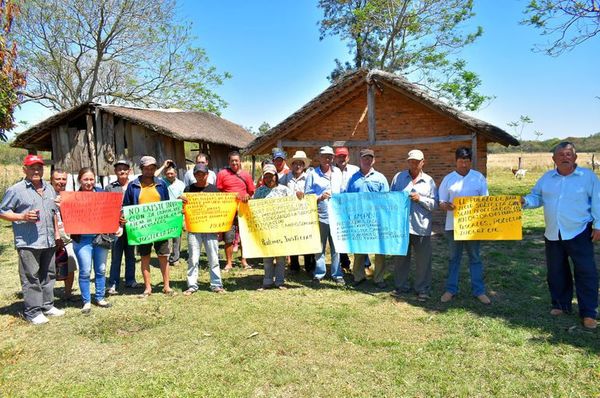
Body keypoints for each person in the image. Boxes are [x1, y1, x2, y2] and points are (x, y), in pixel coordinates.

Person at [522, 142, 599, 329]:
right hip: (553, 232)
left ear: (575, 157)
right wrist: (524, 201)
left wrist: (598, 225)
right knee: (556, 271)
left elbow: (598, 200)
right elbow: (536, 197)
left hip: (580, 231)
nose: (565, 157)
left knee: (586, 272)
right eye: (561, 155)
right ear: (554, 159)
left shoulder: (588, 177)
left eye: (569, 154)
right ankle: (561, 304)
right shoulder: (547, 178)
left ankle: (588, 312)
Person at [0, 154, 64, 324]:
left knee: (49, 274)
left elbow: (53, 214)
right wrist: (22, 216)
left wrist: (57, 234)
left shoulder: (50, 188)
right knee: (31, 277)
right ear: (24, 169)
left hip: (49, 239)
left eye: (39, 167)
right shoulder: (16, 190)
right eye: (32, 167)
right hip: (29, 242)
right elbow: (2, 211)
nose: (36, 170)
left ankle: (47, 305)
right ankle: (33, 312)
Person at [438, 147, 491, 305]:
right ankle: (451, 290)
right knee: (454, 258)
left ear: (470, 161)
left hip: (473, 227)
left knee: (475, 258)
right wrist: (445, 205)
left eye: (466, 161)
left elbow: (486, 200)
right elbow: (441, 202)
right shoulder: (448, 179)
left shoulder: (478, 178)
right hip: (453, 225)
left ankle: (479, 291)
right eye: (461, 161)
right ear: (455, 161)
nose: (463, 165)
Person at [122, 156, 175, 297]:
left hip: (160, 227)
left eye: (152, 168)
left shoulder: (162, 184)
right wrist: (124, 218)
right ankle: (147, 288)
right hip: (142, 229)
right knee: (145, 256)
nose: (149, 171)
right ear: (141, 169)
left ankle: (166, 286)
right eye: (146, 168)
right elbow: (126, 206)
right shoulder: (133, 186)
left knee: (163, 256)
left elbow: (167, 205)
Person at [389, 149, 437, 301]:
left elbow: (435, 204)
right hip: (401, 226)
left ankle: (422, 289)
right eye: (411, 161)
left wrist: (420, 199)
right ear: (408, 161)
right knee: (401, 259)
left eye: (417, 161)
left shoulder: (429, 181)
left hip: (421, 226)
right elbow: (391, 198)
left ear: (423, 162)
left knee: (423, 260)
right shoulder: (399, 177)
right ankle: (401, 286)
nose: (414, 164)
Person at [346, 149, 390, 289]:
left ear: (374, 160)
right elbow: (348, 199)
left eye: (370, 158)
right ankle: (358, 276)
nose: (367, 160)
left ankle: (379, 278)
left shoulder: (380, 178)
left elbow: (386, 199)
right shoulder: (353, 178)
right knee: (359, 250)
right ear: (360, 159)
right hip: (359, 220)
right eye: (365, 158)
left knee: (379, 251)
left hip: (377, 220)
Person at [71, 167, 113, 314]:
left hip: (99, 238)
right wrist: (63, 206)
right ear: (79, 181)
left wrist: (117, 221)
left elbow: (110, 212)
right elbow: (68, 218)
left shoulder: (102, 193)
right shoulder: (73, 198)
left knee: (101, 269)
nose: (89, 182)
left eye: (91, 179)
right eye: (85, 179)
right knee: (85, 271)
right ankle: (86, 301)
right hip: (82, 240)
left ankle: (100, 297)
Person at [181, 164, 225, 294]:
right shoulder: (188, 189)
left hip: (210, 229)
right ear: (194, 175)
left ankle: (216, 284)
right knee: (193, 259)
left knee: (213, 258)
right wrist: (181, 204)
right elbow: (183, 207)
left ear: (207, 175)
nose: (200, 176)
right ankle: (192, 285)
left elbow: (219, 209)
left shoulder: (214, 190)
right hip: (194, 229)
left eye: (203, 174)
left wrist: (219, 227)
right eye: (197, 174)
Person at [304, 146, 344, 285]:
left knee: (337, 246)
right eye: (325, 156)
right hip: (321, 215)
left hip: (337, 216)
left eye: (330, 156)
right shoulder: (313, 174)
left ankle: (337, 274)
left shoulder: (338, 172)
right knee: (319, 247)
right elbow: (307, 195)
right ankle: (319, 273)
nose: (327, 158)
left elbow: (343, 191)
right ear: (319, 157)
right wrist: (320, 197)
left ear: (333, 158)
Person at [253, 164, 294, 289]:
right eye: (266, 176)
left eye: (271, 176)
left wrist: (299, 195)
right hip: (265, 229)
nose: (269, 179)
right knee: (267, 256)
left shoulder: (285, 190)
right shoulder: (259, 191)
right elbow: (252, 207)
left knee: (281, 257)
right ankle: (268, 280)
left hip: (281, 228)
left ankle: (280, 281)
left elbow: (294, 204)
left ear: (276, 176)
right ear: (263, 178)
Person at [216, 150, 256, 271]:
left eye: (236, 161)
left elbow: (251, 191)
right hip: (228, 210)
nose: (234, 163)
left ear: (240, 162)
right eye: (232, 160)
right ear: (229, 161)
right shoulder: (222, 174)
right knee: (229, 237)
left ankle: (244, 260)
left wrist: (246, 197)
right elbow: (219, 191)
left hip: (243, 210)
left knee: (244, 236)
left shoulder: (246, 175)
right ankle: (229, 262)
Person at [280, 150, 316, 275]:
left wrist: (304, 195)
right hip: (290, 213)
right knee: (292, 238)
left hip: (306, 213)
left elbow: (314, 193)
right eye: (295, 163)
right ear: (292, 165)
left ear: (304, 165)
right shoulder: (285, 177)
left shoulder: (309, 176)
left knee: (307, 238)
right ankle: (294, 266)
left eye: (301, 163)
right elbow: (280, 191)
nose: (298, 166)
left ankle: (309, 266)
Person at [106, 159, 138, 295]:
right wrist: (116, 218)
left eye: (125, 168)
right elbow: (106, 207)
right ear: (115, 171)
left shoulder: (135, 186)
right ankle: (113, 283)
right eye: (119, 169)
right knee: (116, 256)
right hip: (116, 227)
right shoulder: (110, 188)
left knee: (131, 254)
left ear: (129, 171)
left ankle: (130, 280)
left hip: (132, 226)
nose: (122, 171)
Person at [50, 169, 78, 300]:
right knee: (49, 267)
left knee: (71, 264)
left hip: (68, 237)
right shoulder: (46, 195)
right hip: (50, 238)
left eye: (63, 179)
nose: (61, 182)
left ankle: (68, 293)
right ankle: (47, 296)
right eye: (58, 179)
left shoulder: (69, 196)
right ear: (51, 180)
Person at [334, 147, 360, 272]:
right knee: (340, 235)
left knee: (357, 235)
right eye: (339, 156)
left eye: (344, 156)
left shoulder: (355, 170)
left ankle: (363, 264)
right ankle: (345, 263)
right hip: (337, 209)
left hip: (353, 208)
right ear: (335, 158)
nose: (341, 159)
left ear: (348, 157)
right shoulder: (331, 171)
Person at [156, 160, 186, 266]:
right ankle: (166, 257)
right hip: (165, 214)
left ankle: (176, 258)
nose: (169, 175)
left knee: (176, 238)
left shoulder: (181, 184)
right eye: (167, 173)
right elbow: (153, 176)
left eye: (172, 173)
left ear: (176, 174)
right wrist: (163, 166)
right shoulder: (161, 182)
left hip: (177, 214)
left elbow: (185, 198)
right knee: (165, 238)